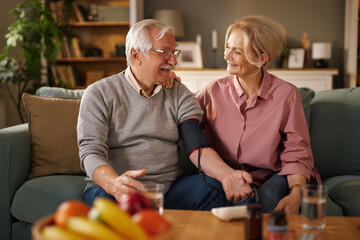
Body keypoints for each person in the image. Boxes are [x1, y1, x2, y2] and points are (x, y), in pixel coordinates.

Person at [77, 19, 242, 208]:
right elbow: (91, 152)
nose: (173, 61)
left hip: (168, 191)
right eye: (165, 52)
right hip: (114, 188)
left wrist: (227, 175)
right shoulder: (99, 93)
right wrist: (113, 184)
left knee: (215, 188)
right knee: (105, 205)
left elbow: (197, 146)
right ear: (136, 54)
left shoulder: (179, 93)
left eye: (173, 52)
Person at [193, 15, 321, 214]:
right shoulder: (212, 91)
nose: (227, 56)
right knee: (243, 196)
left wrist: (296, 192)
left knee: (267, 198)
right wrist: (170, 86)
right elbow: (184, 118)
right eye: (227, 47)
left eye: (237, 51)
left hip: (277, 173)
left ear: (262, 59)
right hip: (236, 176)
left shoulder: (286, 94)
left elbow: (297, 150)